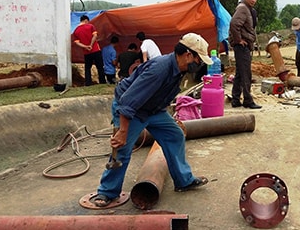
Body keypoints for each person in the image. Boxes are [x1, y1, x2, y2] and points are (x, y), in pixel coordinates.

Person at [89, 33, 213, 207]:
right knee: (122, 149)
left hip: (152, 110)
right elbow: (128, 102)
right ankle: (107, 192)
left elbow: (160, 96)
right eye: (199, 60)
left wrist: (169, 119)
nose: (199, 65)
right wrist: (123, 131)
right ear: (188, 55)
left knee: (175, 135)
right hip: (131, 110)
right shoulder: (159, 69)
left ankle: (184, 181)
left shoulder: (178, 69)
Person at [229, 0, 262, 109]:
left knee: (239, 73)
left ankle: (235, 99)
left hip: (243, 45)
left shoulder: (247, 9)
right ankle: (248, 100)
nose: (253, 0)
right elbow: (234, 24)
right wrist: (238, 40)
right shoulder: (243, 8)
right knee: (246, 74)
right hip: (242, 46)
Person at [72, 15, 106, 86]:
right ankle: (102, 81)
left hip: (86, 52)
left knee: (87, 68)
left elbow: (77, 43)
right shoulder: (90, 26)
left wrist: (85, 47)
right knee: (100, 66)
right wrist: (91, 45)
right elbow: (95, 36)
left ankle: (88, 82)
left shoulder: (76, 31)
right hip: (96, 50)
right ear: (86, 20)